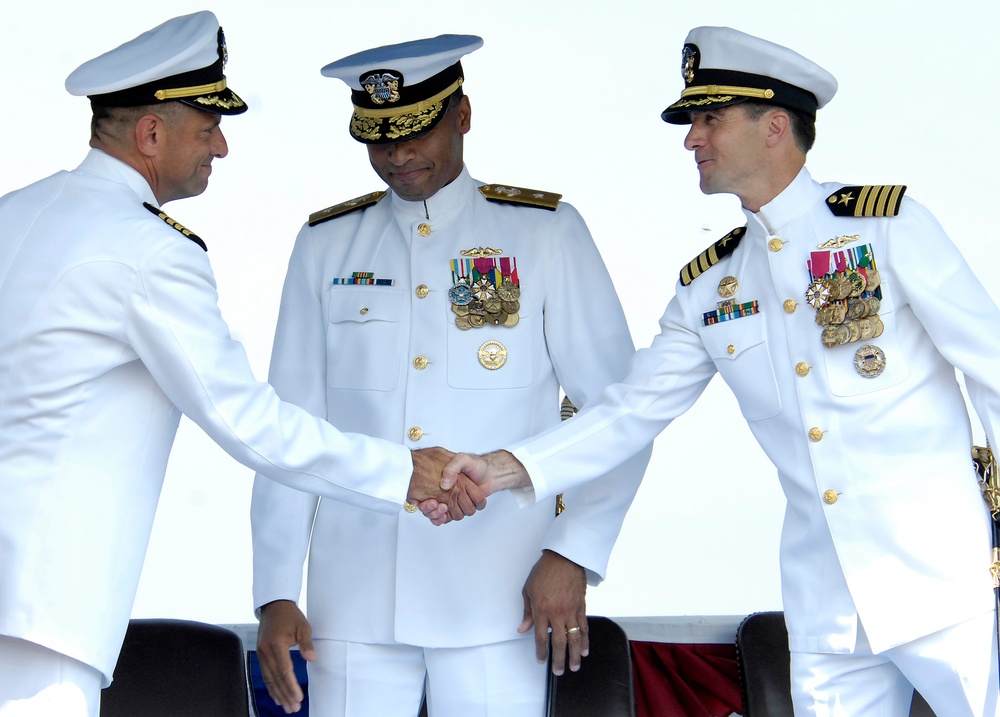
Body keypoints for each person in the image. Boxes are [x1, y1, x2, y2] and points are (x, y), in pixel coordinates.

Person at [442, 26, 1000, 717]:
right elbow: (629, 410)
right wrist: (501, 468)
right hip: (827, 603)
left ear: (773, 127)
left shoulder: (885, 229)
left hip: (941, 579)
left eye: (710, 118)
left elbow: (992, 369)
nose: (691, 139)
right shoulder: (711, 287)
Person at [0, 13, 481, 717]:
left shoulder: (16, 214)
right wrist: (401, 471)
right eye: (207, 128)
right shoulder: (149, 251)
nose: (220, 148)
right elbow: (246, 421)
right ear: (152, 134)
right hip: (38, 616)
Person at [249, 34, 650, 717]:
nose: (396, 156)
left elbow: (619, 413)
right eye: (377, 139)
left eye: (414, 132)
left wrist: (573, 551)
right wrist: (276, 589)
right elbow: (289, 428)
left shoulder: (545, 234)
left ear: (462, 115)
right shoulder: (324, 246)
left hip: (499, 593)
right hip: (355, 598)